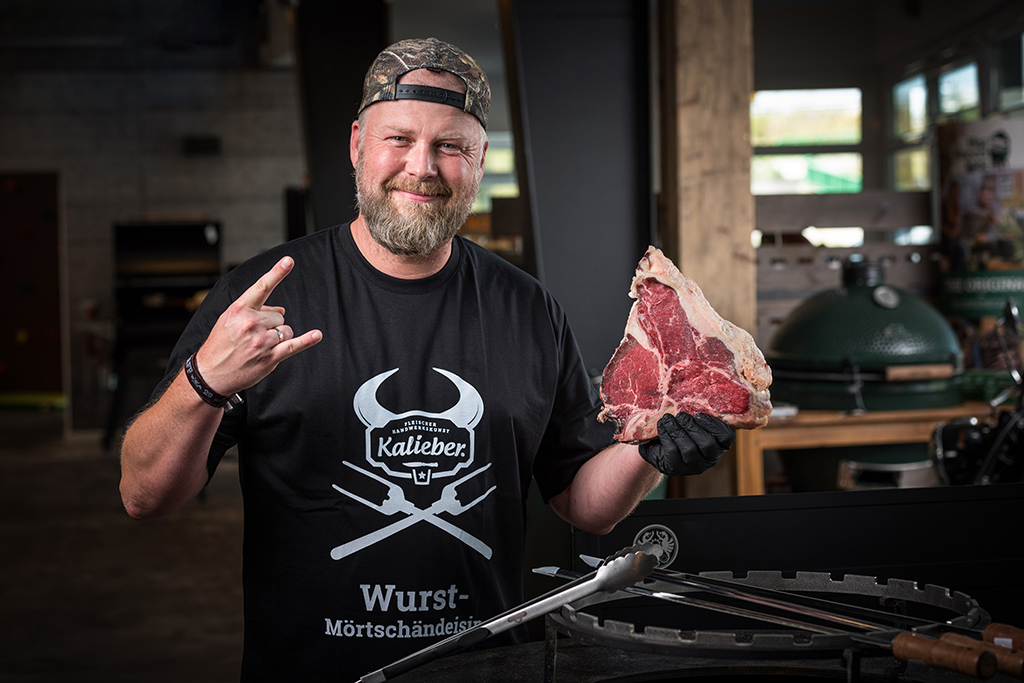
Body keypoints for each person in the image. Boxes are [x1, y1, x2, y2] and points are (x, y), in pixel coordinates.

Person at [119, 37, 735, 682]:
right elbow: (144, 497)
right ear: (357, 143)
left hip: (487, 669)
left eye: (451, 146)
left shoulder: (528, 309)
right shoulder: (264, 296)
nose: (423, 167)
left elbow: (584, 505)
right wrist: (203, 383)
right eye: (399, 139)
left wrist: (650, 454)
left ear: (480, 160)